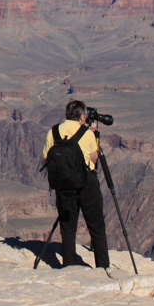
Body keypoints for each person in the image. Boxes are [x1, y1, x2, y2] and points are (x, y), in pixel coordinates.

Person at [42, 99, 110, 269]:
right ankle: (103, 268)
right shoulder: (86, 133)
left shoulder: (53, 132)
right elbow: (94, 158)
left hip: (64, 185)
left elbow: (46, 158)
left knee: (68, 228)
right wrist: (94, 136)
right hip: (87, 184)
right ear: (81, 116)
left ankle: (69, 267)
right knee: (96, 227)